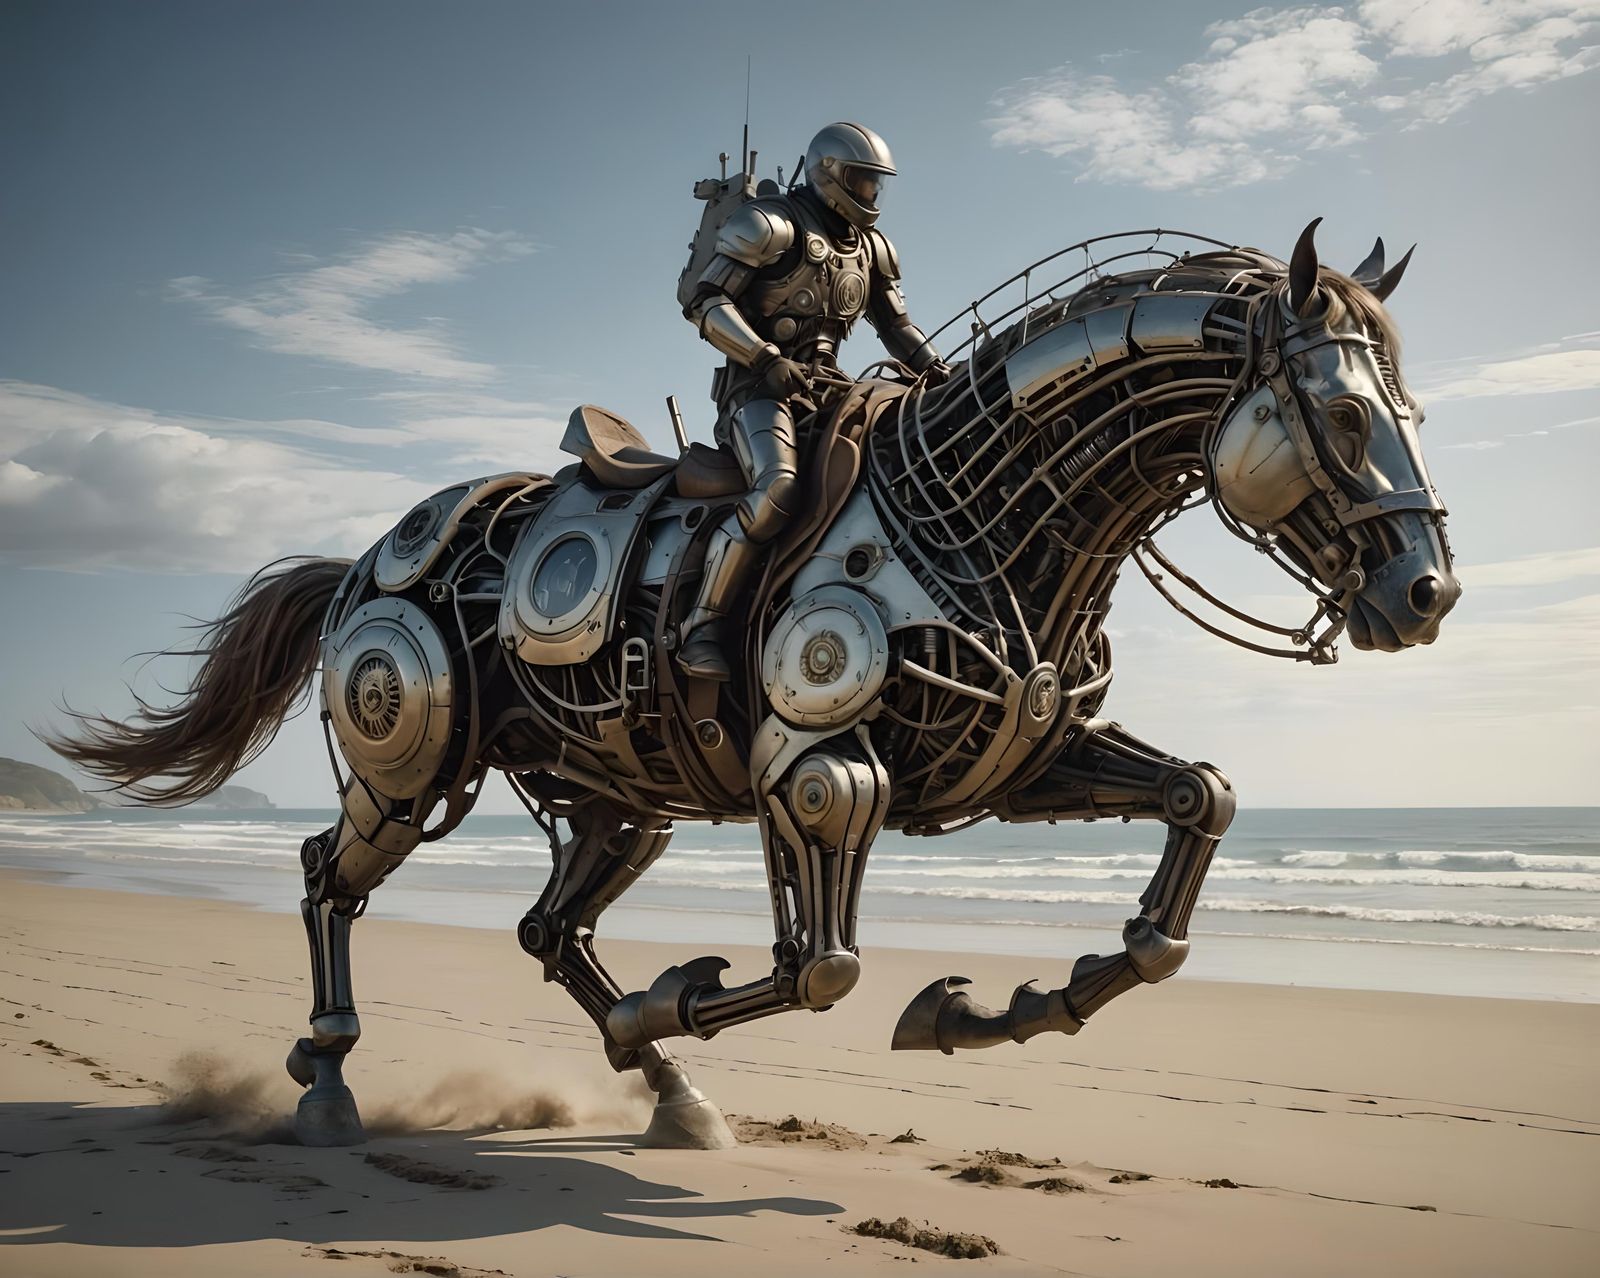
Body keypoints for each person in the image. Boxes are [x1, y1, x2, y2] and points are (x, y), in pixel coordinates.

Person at [677, 121, 950, 680]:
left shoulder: (872, 248)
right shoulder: (769, 225)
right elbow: (705, 303)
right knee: (777, 487)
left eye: (878, 185)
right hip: (755, 391)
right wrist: (763, 359)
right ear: (829, 174)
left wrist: (940, 373)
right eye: (862, 181)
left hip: (829, 390)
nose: (871, 195)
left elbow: (896, 326)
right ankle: (701, 626)